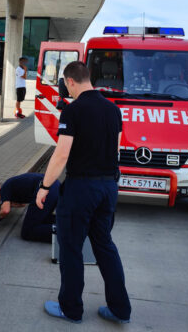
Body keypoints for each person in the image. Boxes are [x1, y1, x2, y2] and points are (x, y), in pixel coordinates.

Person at [36, 61, 131, 324]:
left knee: (71, 248)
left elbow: (62, 154)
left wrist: (44, 187)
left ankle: (71, 309)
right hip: (108, 187)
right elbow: (117, 149)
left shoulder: (73, 110)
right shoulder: (113, 110)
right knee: (104, 246)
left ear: (70, 82)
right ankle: (120, 309)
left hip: (81, 189)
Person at [0, 173, 60, 243]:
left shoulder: (4, 188)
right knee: (43, 219)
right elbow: (22, 205)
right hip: (54, 185)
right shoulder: (13, 186)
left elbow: (5, 211)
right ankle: (68, 223)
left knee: (28, 231)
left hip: (44, 190)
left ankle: (65, 232)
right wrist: (8, 203)